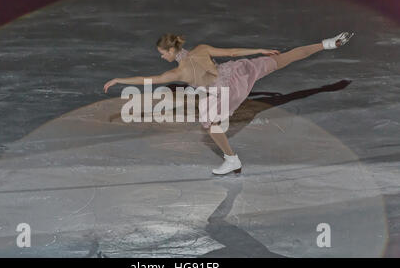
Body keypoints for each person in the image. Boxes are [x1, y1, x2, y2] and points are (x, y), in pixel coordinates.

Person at [103, 32, 354, 175]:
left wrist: (119, 79)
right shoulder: (201, 49)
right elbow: (233, 52)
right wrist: (260, 49)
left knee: (210, 123)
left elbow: (150, 80)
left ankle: (232, 159)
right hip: (238, 73)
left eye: (162, 53)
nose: (161, 56)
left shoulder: (177, 73)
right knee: (284, 59)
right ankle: (327, 44)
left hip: (224, 91)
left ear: (171, 52)